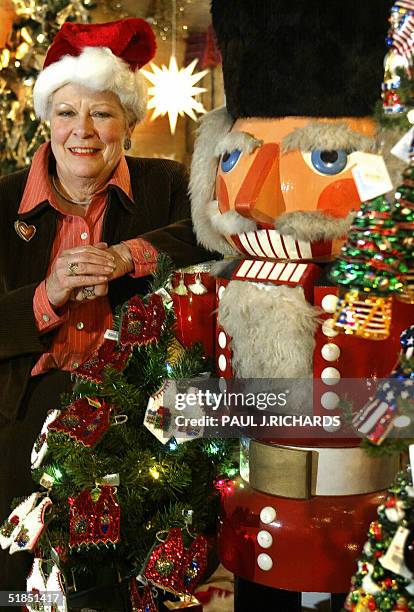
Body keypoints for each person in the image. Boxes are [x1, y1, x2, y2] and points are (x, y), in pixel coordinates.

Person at [0, 17, 211, 596]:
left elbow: (211, 233)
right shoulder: (1, 204)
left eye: (103, 112)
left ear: (129, 123)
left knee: (114, 592)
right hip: (24, 417)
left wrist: (127, 257)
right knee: (17, 586)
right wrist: (47, 295)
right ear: (46, 119)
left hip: (136, 424)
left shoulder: (168, 185)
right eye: (67, 112)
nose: (83, 131)